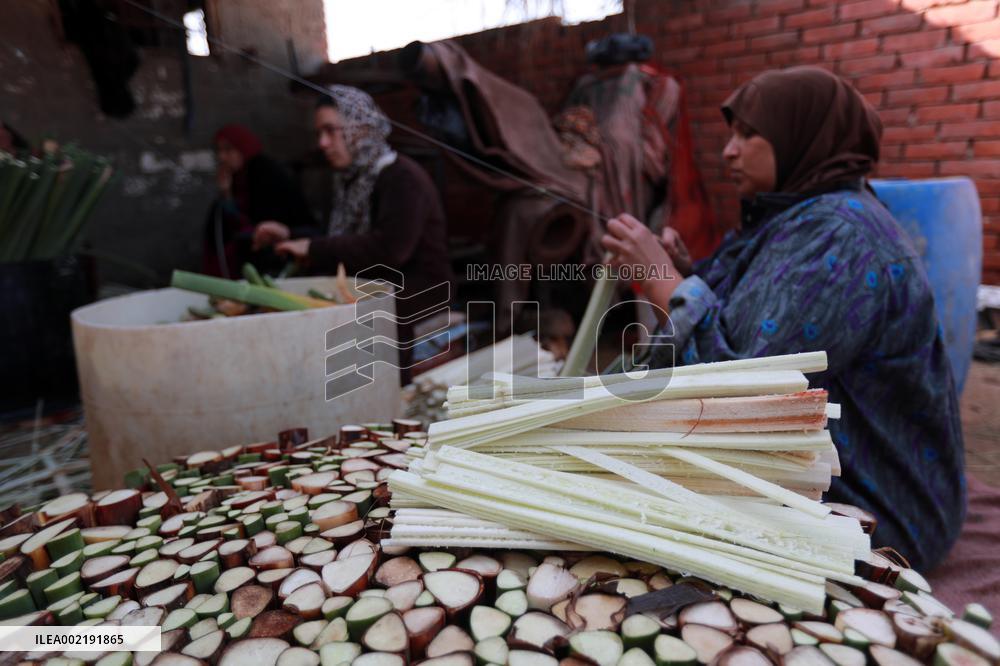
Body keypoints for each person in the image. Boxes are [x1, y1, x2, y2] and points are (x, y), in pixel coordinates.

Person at [600, 66, 965, 572]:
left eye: (749, 135)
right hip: (840, 482)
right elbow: (758, 315)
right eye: (731, 134)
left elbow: (744, 390)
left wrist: (664, 281)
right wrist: (685, 275)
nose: (729, 150)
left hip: (880, 516)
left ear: (802, 136)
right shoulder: (799, 215)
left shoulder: (840, 236)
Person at [253, 86, 453, 375]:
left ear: (361, 129)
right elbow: (343, 237)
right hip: (377, 283)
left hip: (420, 289)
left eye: (331, 131)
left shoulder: (401, 178)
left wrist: (311, 248)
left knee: (356, 326)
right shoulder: (354, 179)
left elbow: (389, 250)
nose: (322, 143)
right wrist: (292, 236)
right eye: (319, 133)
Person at [203, 123, 315, 277]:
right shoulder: (236, 178)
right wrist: (226, 193)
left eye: (228, 150)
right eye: (219, 151)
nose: (222, 157)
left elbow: (259, 222)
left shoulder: (264, 174)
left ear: (243, 148)